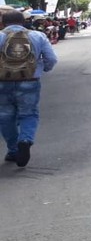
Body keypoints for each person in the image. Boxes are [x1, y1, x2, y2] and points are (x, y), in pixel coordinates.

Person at [0, 9, 58, 167]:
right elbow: (51, 59)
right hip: (30, 81)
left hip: (2, 82)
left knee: (5, 117)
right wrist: (42, 69)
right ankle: (25, 140)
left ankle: (13, 150)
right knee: (28, 114)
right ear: (24, 22)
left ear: (3, 23)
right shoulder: (37, 36)